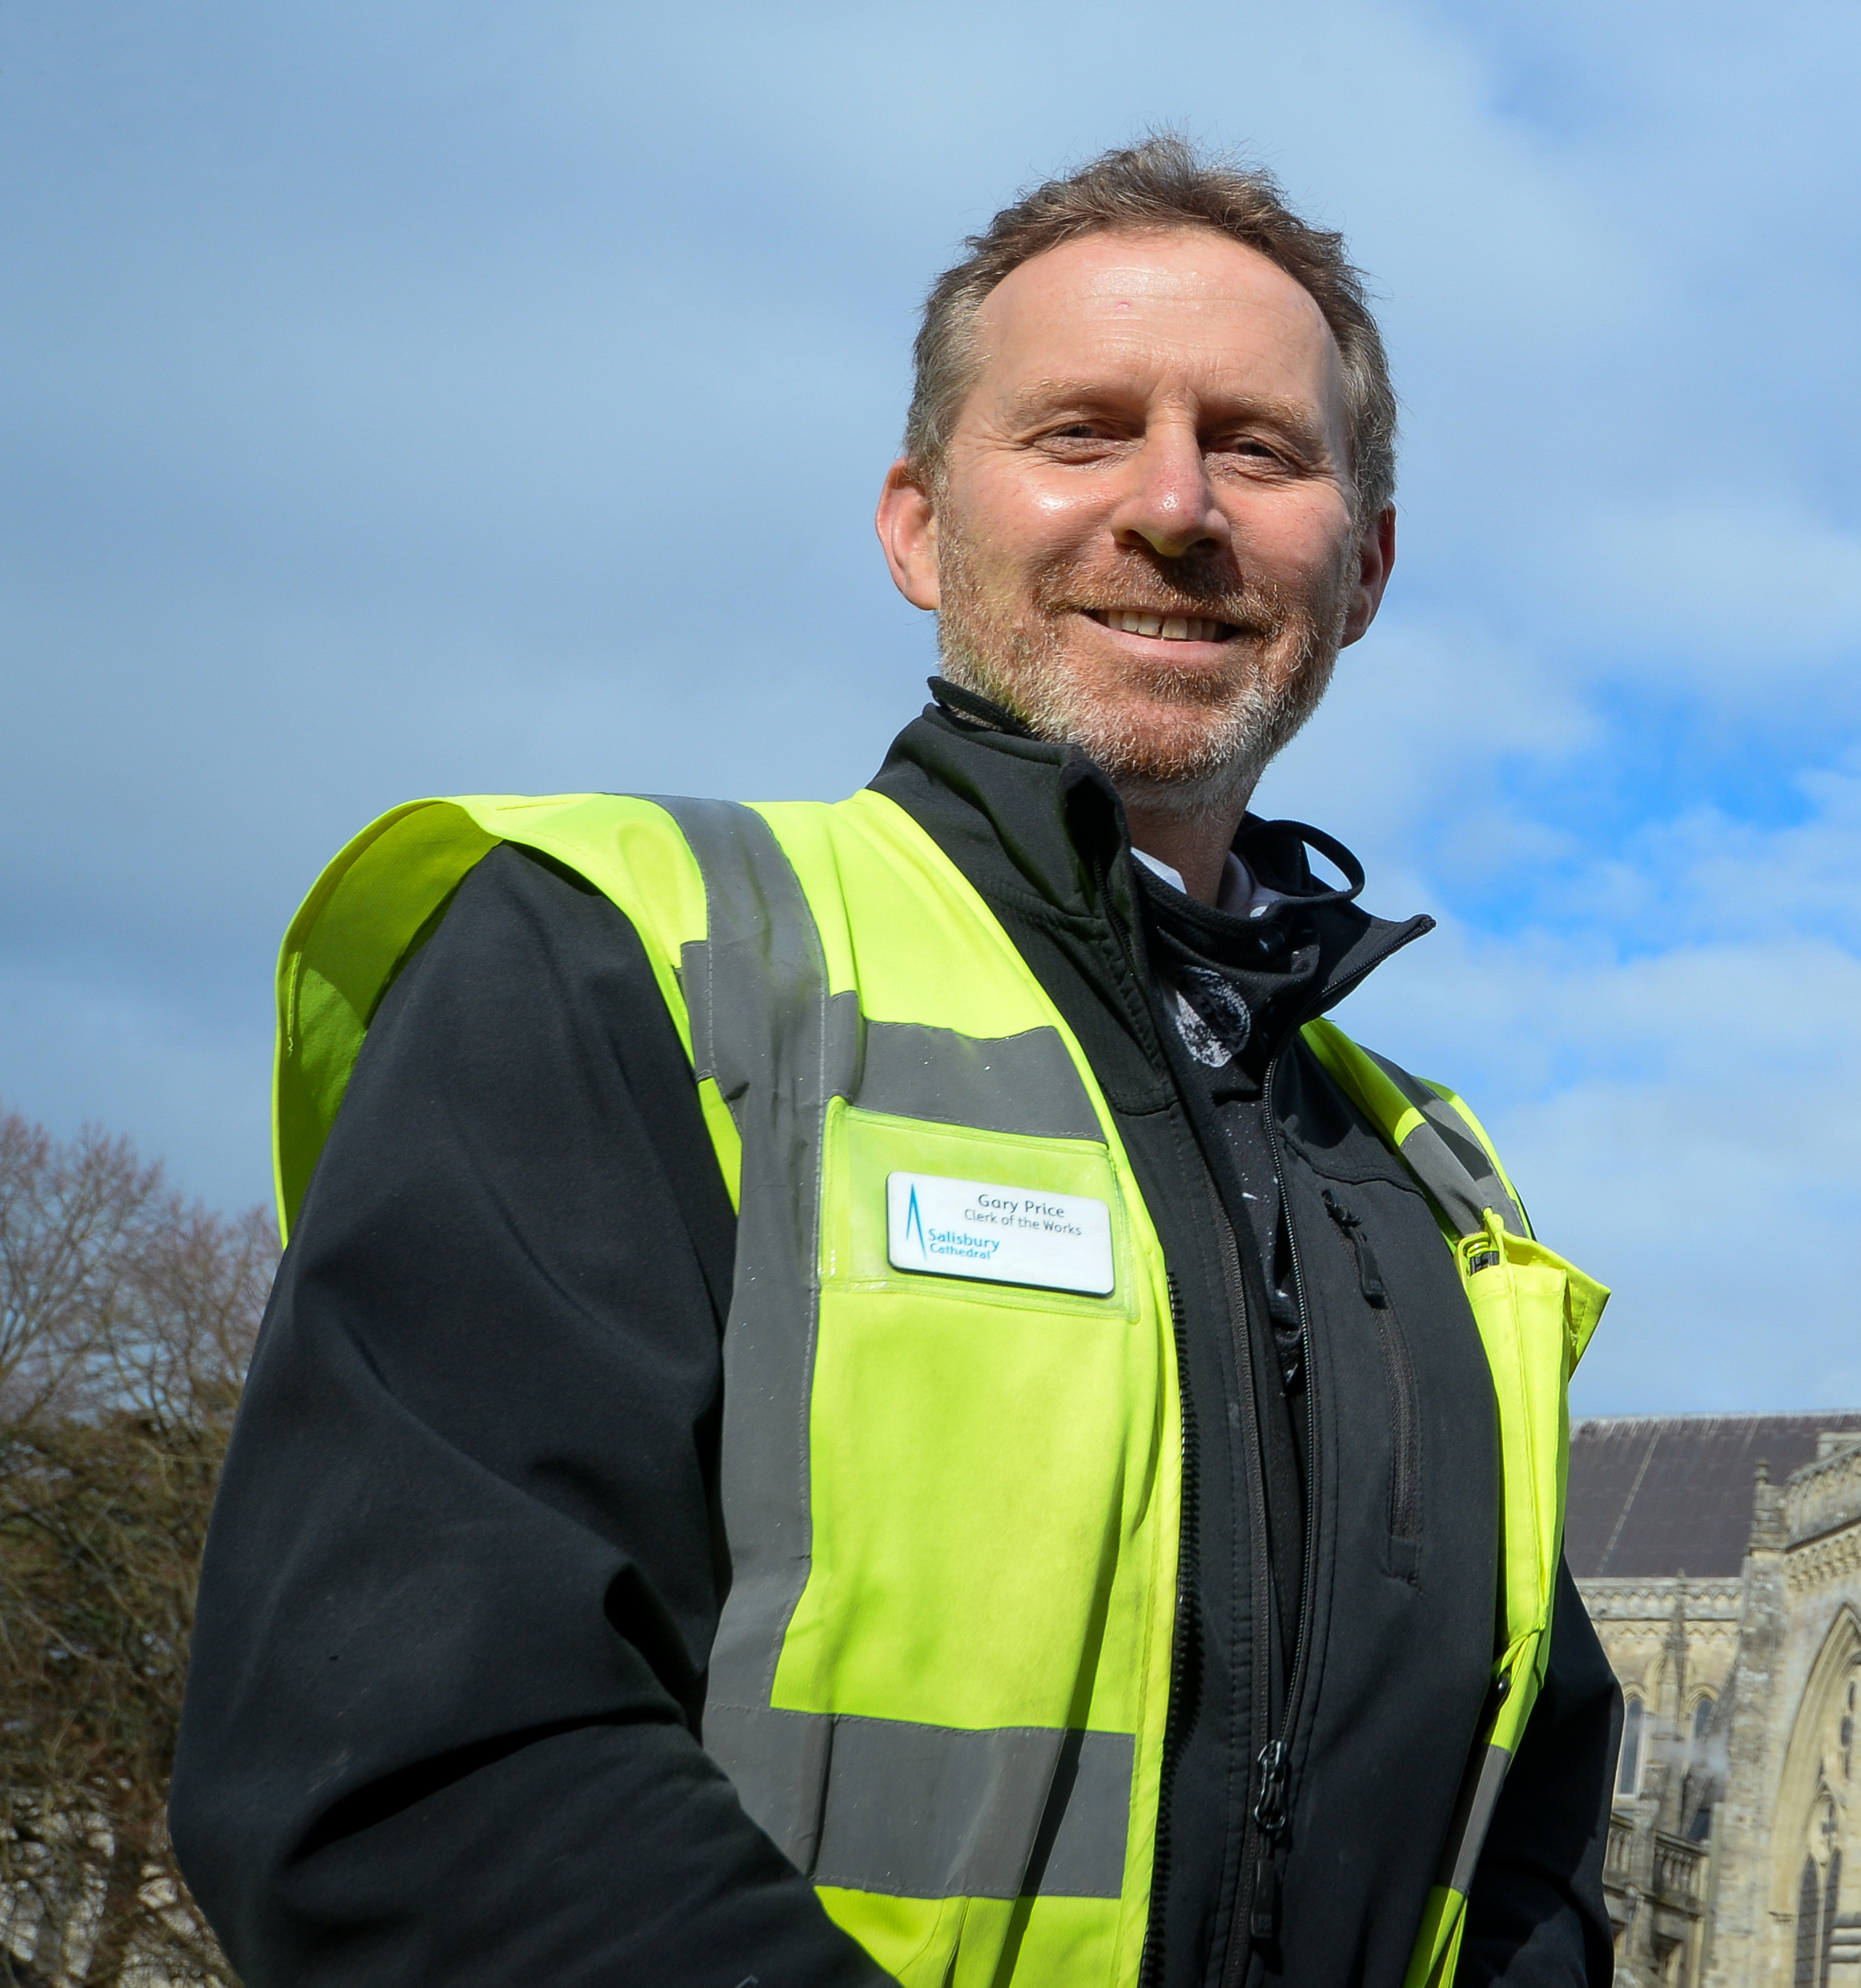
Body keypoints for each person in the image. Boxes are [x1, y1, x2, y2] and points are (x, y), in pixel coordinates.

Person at [173, 138, 1619, 1988]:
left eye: (1259, 448)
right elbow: (406, 1768)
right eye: (1084, 428)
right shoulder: (629, 952)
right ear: (920, 523)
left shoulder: (1433, 1193)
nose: (1175, 502)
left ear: (1366, 565)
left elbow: (1520, 1873)